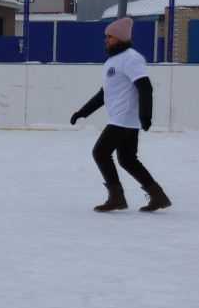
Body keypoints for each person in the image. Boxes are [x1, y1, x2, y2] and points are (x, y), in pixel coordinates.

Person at [72, 15, 171, 213]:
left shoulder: (132, 58)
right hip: (123, 116)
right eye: (105, 36)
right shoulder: (113, 61)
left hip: (125, 116)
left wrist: (146, 115)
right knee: (127, 159)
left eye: (110, 37)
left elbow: (145, 87)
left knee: (100, 152)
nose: (106, 40)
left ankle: (117, 197)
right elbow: (104, 94)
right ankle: (158, 196)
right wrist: (82, 112)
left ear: (121, 38)